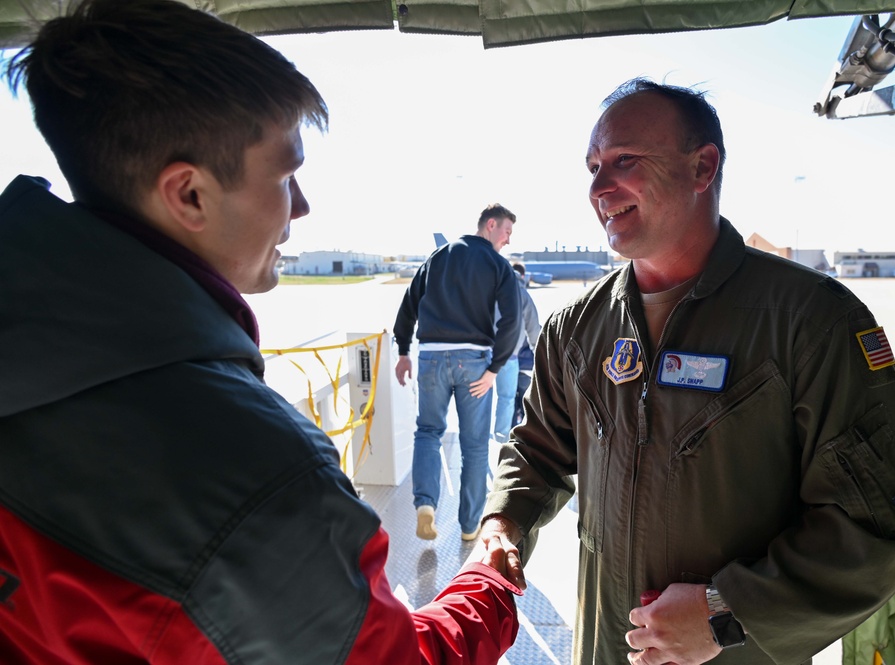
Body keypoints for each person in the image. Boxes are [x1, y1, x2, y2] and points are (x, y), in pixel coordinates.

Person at [0, 2, 523, 663]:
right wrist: (489, 583)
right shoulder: (259, 477)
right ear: (189, 194)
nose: (300, 205)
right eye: (284, 174)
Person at [480, 78, 895, 665]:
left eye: (624, 160)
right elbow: (538, 450)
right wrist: (502, 522)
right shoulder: (576, 328)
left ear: (703, 167)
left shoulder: (810, 321)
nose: (597, 186)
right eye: (592, 165)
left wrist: (728, 611)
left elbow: (880, 524)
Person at [394, 204, 522, 541]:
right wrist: (495, 368)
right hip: (474, 363)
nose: (508, 240)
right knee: (475, 447)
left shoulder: (437, 258)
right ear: (491, 225)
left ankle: (426, 505)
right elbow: (513, 320)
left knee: (428, 432)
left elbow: (408, 306)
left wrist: (404, 352)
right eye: (507, 231)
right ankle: (468, 527)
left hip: (431, 359)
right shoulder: (498, 265)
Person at [493, 262, 541, 442]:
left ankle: (480, 436)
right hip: (508, 354)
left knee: (479, 396)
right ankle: (501, 437)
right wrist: (537, 355)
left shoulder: (491, 290)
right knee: (506, 397)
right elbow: (533, 328)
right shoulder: (522, 294)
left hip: (483, 351)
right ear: (522, 277)